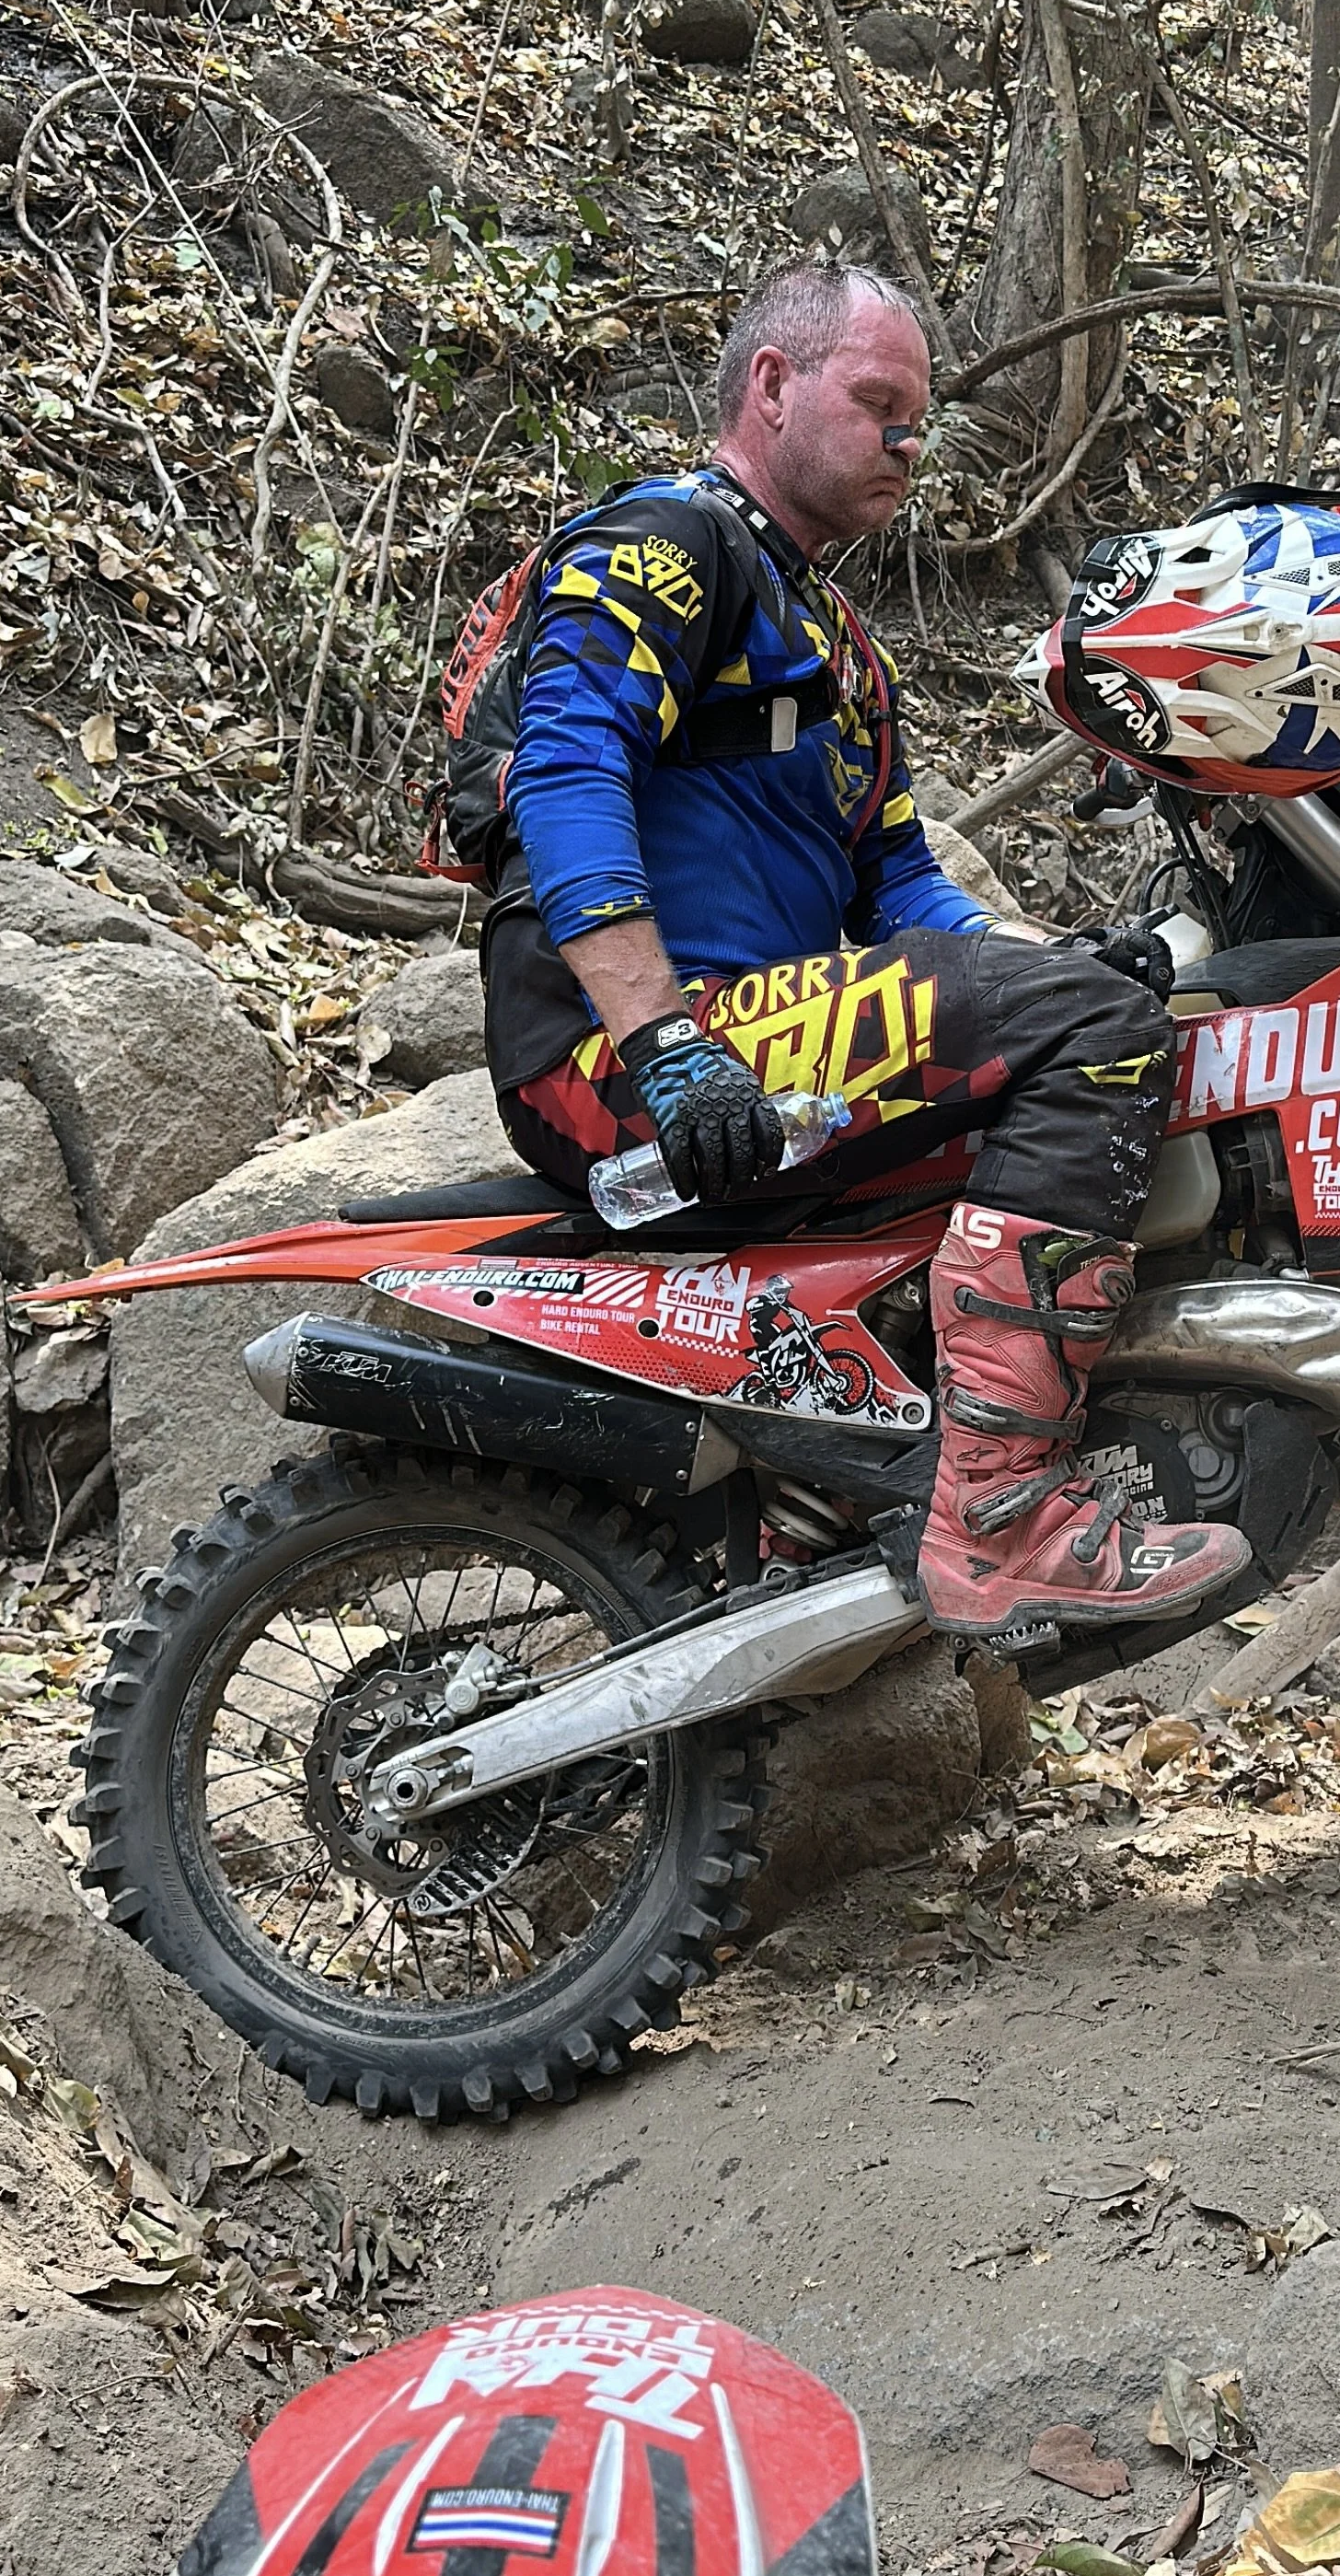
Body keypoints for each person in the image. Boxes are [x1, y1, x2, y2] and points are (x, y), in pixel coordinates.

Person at [480, 257, 1249, 1641]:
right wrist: (663, 1045)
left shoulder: (836, 645)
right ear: (773, 386)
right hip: (627, 1054)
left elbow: (898, 883)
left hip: (760, 1030)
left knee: (1087, 1012)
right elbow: (565, 776)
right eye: (881, 399)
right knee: (1094, 1041)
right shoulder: (662, 543)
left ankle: (836, 1500)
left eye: (924, 414)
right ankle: (1004, 1508)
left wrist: (1040, 961)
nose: (912, 438)